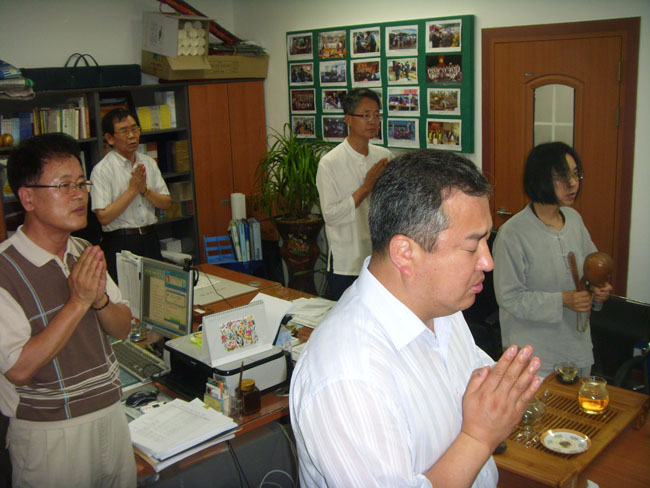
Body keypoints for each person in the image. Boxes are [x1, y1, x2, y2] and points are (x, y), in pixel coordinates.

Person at [291, 150, 542, 487]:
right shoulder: (348, 376)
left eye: (487, 240)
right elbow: (478, 430)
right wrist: (478, 438)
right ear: (405, 253)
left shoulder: (442, 309)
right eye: (472, 247)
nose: (488, 262)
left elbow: (476, 383)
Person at [0, 133, 136, 487]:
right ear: (27, 198)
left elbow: (123, 327)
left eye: (81, 183)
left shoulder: (83, 250)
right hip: (52, 435)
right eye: (64, 186)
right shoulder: (5, 270)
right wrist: (77, 302)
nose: (79, 195)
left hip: (111, 416)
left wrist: (99, 300)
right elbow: (18, 369)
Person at [493, 142, 612, 378]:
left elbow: (592, 270)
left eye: (576, 174)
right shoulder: (513, 233)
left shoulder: (574, 220)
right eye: (563, 176)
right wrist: (563, 300)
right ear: (540, 178)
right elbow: (509, 298)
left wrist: (598, 290)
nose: (573, 183)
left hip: (576, 346)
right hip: (534, 355)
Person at [316, 88, 393, 300]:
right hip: (347, 262)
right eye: (366, 115)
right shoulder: (330, 163)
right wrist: (365, 188)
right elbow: (331, 216)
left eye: (376, 115)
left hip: (379, 258)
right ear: (348, 119)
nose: (373, 121)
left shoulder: (384, 157)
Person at [90, 108, 171, 282]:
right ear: (110, 138)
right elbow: (103, 217)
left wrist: (145, 191)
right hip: (120, 243)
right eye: (124, 131)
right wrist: (132, 190)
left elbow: (166, 203)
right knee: (126, 294)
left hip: (150, 239)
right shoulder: (102, 170)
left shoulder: (148, 162)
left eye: (134, 129)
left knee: (155, 292)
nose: (132, 135)